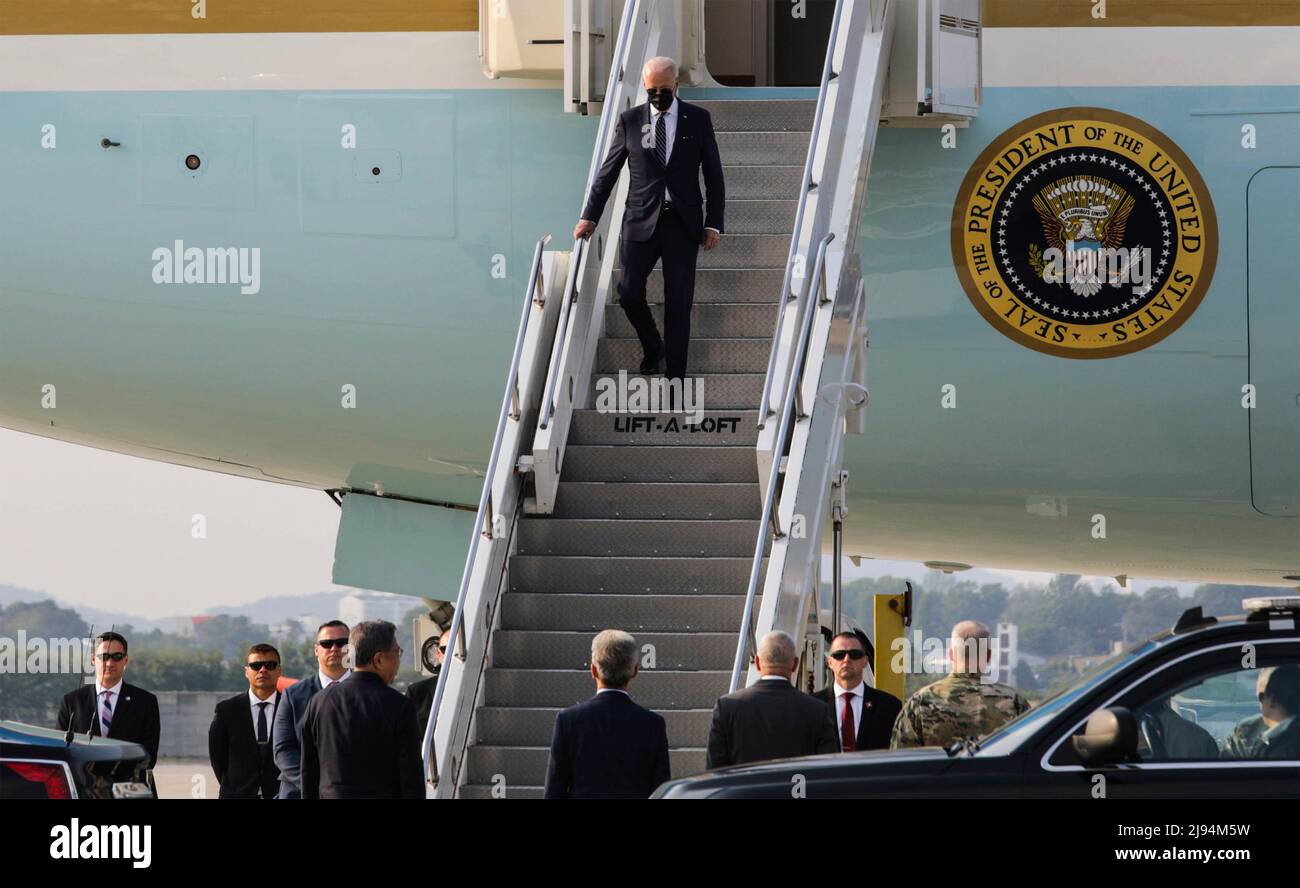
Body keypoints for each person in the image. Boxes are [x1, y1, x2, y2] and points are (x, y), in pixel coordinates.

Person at [574, 55, 725, 383]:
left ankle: (676, 378)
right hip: (640, 222)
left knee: (678, 303)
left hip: (682, 225)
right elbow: (608, 173)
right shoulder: (630, 121)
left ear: (676, 85)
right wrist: (590, 216)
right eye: (651, 90)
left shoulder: (697, 120)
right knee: (628, 293)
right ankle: (653, 345)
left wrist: (713, 223)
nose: (657, 96)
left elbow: (714, 174)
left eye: (663, 89)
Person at [300, 620, 423, 799]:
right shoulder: (399, 705)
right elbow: (410, 776)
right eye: (397, 652)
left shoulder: (319, 702)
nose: (398, 661)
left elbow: (308, 772)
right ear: (379, 659)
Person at [544, 629, 670, 799]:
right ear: (634, 671)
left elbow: (554, 791)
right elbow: (661, 791)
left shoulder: (568, 720)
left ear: (593, 670)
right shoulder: (653, 725)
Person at [705, 630, 838, 769]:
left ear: (757, 662)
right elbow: (826, 769)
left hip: (744, 790)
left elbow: (715, 770)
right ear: (795, 664)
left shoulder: (727, 707)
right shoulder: (818, 710)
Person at [891, 620, 1030, 750]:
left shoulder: (921, 702)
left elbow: (900, 759)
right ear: (988, 656)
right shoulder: (1014, 702)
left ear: (951, 654)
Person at [57, 631, 161, 790]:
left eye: (117, 656)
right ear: (93, 659)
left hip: (131, 790)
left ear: (126, 660)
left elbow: (148, 755)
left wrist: (109, 782)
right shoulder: (72, 702)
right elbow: (62, 751)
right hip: (85, 790)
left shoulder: (146, 702)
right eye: (104, 656)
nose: (110, 663)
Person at [272, 620, 350, 798]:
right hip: (299, 792)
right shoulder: (293, 695)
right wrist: (315, 786)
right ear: (316, 650)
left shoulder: (368, 694)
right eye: (327, 644)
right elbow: (283, 750)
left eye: (342, 643)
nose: (334, 649)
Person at [207, 643, 282, 798]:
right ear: (247, 672)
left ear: (279, 670)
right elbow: (217, 757)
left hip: (281, 793)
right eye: (256, 666)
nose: (263, 670)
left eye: (270, 665)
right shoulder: (227, 710)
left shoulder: (292, 707)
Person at [814, 631, 901, 751]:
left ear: (865, 661)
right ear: (830, 662)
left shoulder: (889, 705)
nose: (846, 659)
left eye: (854, 654)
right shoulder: (813, 706)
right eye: (839, 655)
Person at [1222, 665, 1299, 760]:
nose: (1261, 704)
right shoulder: (1246, 731)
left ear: (1272, 700)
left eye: (1262, 696)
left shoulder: (1248, 733)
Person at [406, 625, 451, 731]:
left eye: (457, 648)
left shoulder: (480, 687)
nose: (453, 653)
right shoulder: (417, 693)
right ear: (439, 655)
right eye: (447, 649)